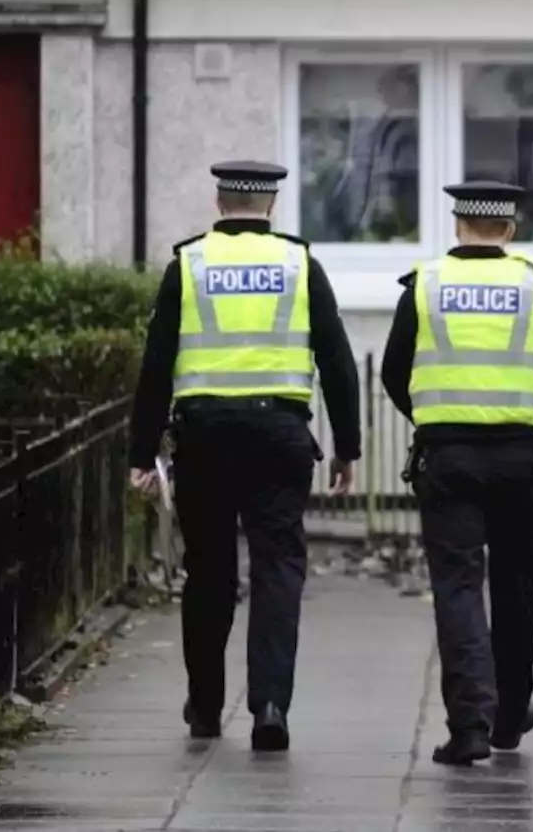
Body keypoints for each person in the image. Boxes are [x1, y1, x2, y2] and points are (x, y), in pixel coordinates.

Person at [127, 160, 361, 752]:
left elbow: (156, 365)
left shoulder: (190, 264)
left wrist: (140, 451)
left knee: (207, 571)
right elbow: (337, 360)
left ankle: (206, 707)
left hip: (204, 438)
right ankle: (271, 705)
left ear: (219, 200)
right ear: (271, 206)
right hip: (279, 436)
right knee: (278, 566)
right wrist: (347, 448)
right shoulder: (299, 264)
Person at [380, 180, 533, 766]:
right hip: (522, 459)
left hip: (447, 459)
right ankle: (510, 715)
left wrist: (437, 413)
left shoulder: (425, 284)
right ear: (510, 229)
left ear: (458, 226)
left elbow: (394, 372)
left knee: (457, 587)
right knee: (516, 587)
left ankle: (469, 725)